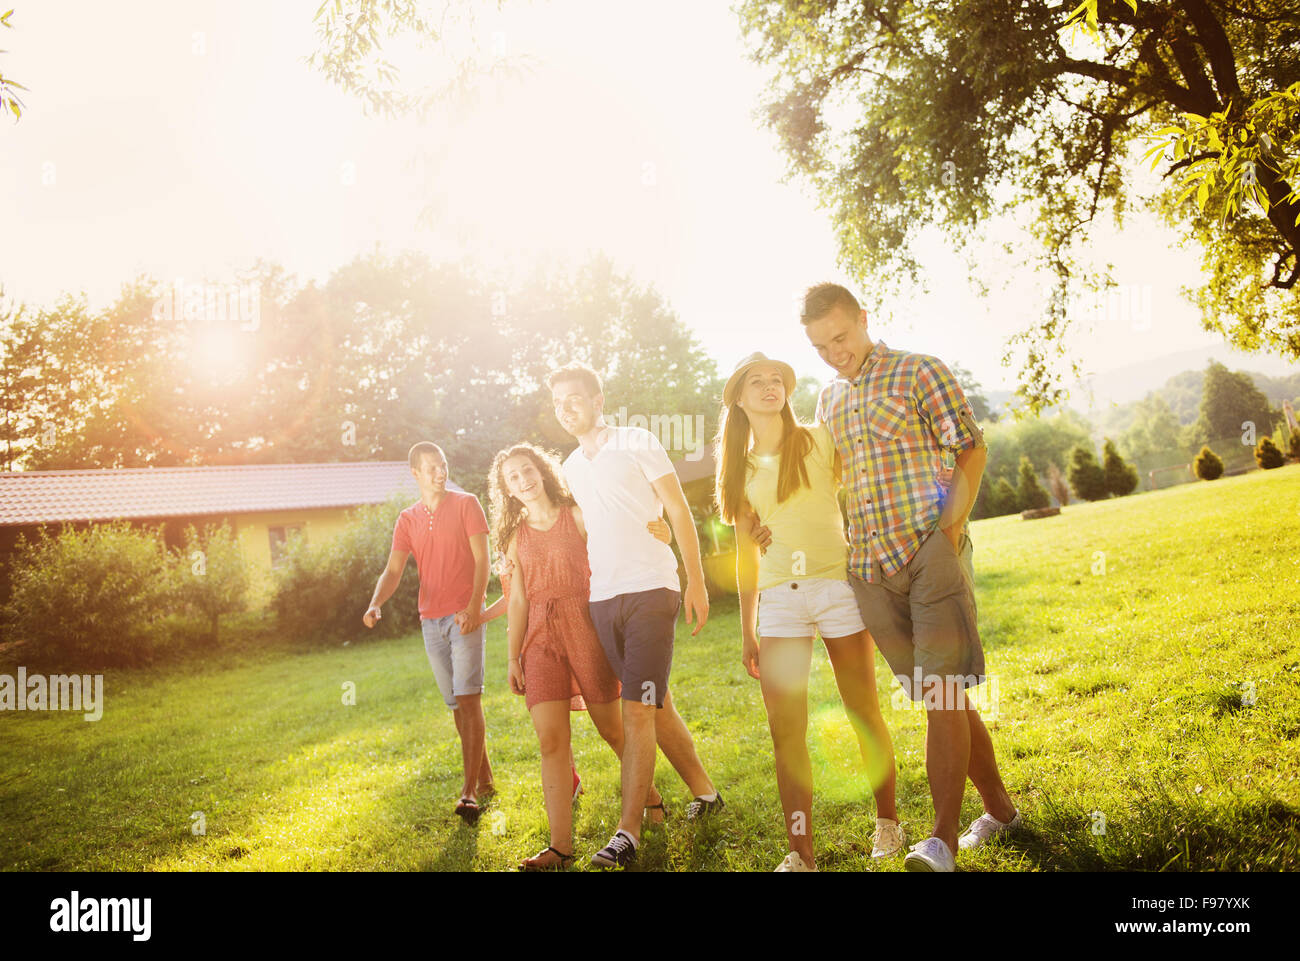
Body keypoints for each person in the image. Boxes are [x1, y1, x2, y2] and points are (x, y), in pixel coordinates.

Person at [795, 282, 1020, 872]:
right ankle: (1000, 811)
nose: (834, 352)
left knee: (943, 691)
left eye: (840, 337)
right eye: (820, 346)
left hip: (928, 551)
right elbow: (827, 482)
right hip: (870, 568)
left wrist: (948, 531)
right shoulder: (828, 401)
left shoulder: (921, 371)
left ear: (864, 319)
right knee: (939, 696)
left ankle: (939, 841)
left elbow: (970, 449)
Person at [717, 352, 903, 872]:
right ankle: (802, 853)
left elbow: (866, 477)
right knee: (786, 730)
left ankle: (888, 822)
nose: (770, 386)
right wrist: (747, 626)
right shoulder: (740, 468)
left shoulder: (819, 439)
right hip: (780, 602)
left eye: (777, 379)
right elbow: (745, 552)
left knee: (862, 707)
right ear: (738, 396)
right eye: (757, 381)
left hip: (837, 589)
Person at [550, 362, 722, 870]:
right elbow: (587, 528)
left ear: (599, 399)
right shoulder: (571, 467)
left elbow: (677, 509)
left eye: (575, 398)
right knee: (657, 702)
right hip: (603, 598)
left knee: (638, 708)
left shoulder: (638, 440)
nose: (567, 408)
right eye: (559, 403)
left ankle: (628, 833)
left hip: (651, 588)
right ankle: (708, 795)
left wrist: (695, 578)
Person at [489, 443, 670, 870]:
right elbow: (516, 601)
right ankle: (560, 848)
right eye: (512, 477)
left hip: (586, 626)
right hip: (539, 639)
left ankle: (651, 797)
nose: (522, 480)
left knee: (612, 729)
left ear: (542, 471)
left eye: (526, 470)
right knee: (550, 741)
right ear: (508, 490)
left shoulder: (577, 513)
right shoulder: (514, 535)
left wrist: (660, 527)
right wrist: (513, 656)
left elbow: (624, 530)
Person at [363, 442, 494, 823]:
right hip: (429, 621)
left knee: (469, 699)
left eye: (444, 465)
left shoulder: (467, 503)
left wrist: (473, 608)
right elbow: (392, 570)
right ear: (416, 474)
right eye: (432, 468)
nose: (441, 472)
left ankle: (468, 792)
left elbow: (483, 560)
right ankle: (483, 778)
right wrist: (375, 603)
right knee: (456, 703)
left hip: (462, 617)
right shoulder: (407, 519)